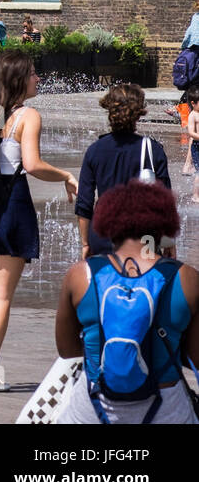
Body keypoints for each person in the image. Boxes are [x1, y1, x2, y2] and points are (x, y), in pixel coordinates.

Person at [0, 50, 78, 392]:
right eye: (34, 73)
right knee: (2, 296)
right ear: (19, 80)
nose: (38, 78)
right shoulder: (26, 116)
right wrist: (66, 174)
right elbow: (32, 165)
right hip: (9, 207)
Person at [55, 181, 199, 423]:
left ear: (109, 221)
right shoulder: (186, 278)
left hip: (92, 408)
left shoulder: (81, 275)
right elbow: (196, 355)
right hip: (165, 409)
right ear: (162, 226)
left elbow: (67, 349)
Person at [77, 83, 171, 259]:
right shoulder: (152, 149)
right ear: (139, 112)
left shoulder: (94, 150)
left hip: (103, 234)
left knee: (107, 284)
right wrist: (168, 241)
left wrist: (86, 243)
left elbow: (84, 204)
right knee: (143, 283)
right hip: (144, 238)